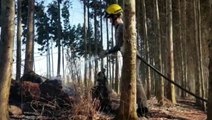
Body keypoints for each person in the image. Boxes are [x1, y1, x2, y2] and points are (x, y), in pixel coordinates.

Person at [99, 4, 149, 117]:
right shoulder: (118, 28)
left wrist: (106, 52)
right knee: (126, 80)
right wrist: (107, 52)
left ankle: (143, 108)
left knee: (135, 80)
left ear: (115, 15)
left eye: (110, 17)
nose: (109, 20)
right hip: (127, 57)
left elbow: (120, 45)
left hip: (133, 57)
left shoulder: (122, 26)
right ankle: (129, 106)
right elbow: (119, 46)